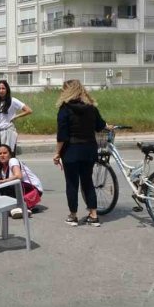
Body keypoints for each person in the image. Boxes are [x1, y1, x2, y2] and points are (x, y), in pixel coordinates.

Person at [52, 79, 108, 227]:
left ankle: (73, 216)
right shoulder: (91, 108)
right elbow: (100, 126)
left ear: (67, 91)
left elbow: (62, 136)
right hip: (89, 150)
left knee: (72, 184)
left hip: (71, 151)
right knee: (88, 182)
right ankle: (94, 215)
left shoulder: (64, 109)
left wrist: (57, 153)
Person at [0, 80, 32, 153]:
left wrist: (16, 116)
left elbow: (28, 110)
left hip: (8, 131)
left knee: (9, 154)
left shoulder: (13, 101)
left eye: (3, 88)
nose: (1, 90)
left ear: (7, 89)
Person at [0, 144, 42, 219]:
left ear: (10, 154)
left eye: (5, 153)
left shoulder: (13, 161)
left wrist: (4, 181)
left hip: (33, 190)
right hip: (19, 190)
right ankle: (20, 208)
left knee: (8, 185)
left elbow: (18, 176)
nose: (2, 155)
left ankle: (18, 207)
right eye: (0, 154)